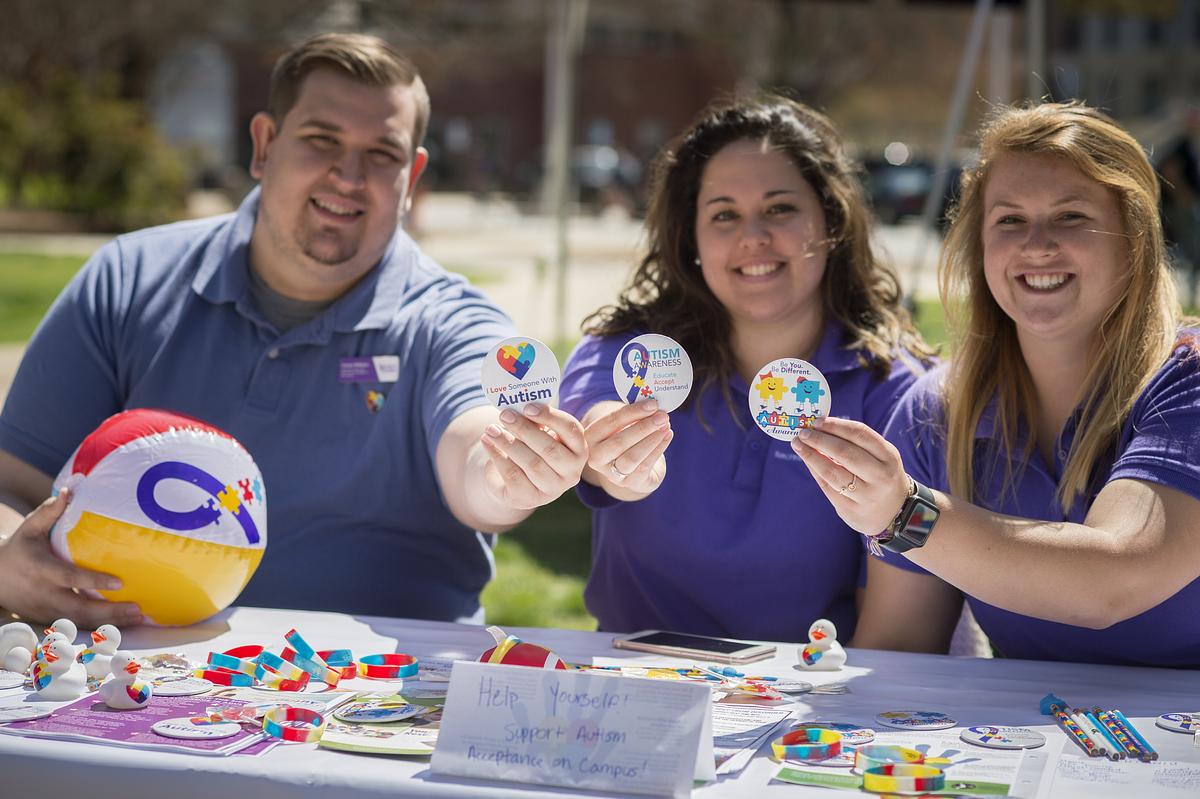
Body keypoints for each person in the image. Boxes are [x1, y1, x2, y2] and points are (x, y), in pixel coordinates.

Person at [0, 33, 586, 627]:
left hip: (379, 698)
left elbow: (478, 458)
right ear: (264, 145)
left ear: (412, 177)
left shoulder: (453, 321)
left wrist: (510, 473)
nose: (348, 176)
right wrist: (8, 556)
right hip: (142, 673)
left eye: (382, 154)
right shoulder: (126, 280)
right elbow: (13, 482)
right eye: (321, 140)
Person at [794, 102, 1200, 667]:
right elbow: (901, 648)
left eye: (1071, 217)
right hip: (1027, 748)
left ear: (1133, 240)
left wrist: (903, 514)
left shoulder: (1189, 378)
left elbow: (1116, 578)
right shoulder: (938, 410)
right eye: (1010, 220)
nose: (1037, 244)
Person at [558, 95, 934, 643]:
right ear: (691, 238)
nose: (752, 236)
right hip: (634, 694)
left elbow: (897, 641)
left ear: (830, 221)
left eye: (780, 208)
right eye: (724, 214)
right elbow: (595, 428)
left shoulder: (896, 392)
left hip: (811, 706)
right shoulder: (627, 354)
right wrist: (616, 458)